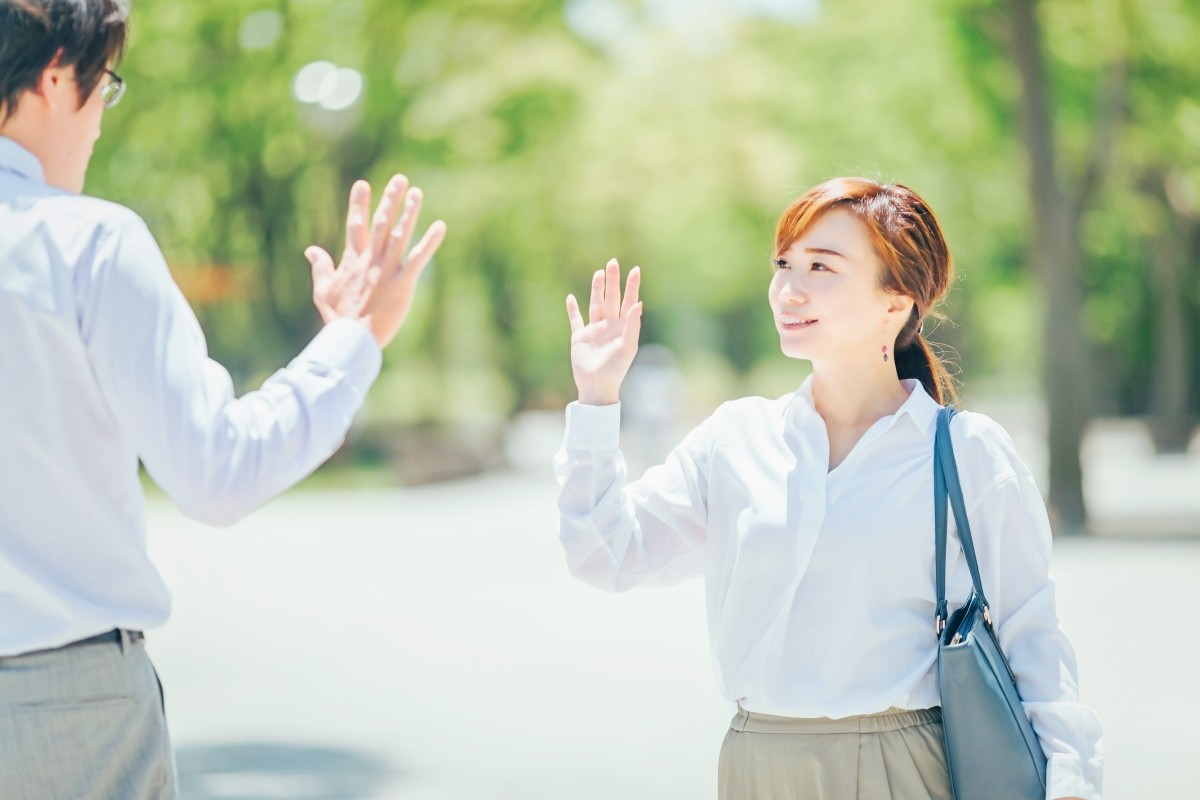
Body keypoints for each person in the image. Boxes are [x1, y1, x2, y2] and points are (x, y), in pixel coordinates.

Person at [0, 1, 446, 797]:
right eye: (108, 85)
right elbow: (217, 471)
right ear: (57, 74)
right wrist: (354, 338)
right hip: (65, 708)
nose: (102, 120)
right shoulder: (89, 244)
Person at [555, 177, 1103, 799]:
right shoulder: (736, 440)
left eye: (822, 266)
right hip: (754, 765)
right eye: (784, 263)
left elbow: (1032, 635)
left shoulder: (965, 453)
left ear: (895, 304)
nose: (790, 288)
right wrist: (597, 400)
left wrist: (1070, 782)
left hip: (901, 766)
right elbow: (605, 553)